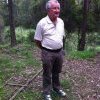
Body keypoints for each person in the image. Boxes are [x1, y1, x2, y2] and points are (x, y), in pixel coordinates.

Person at [34, 0, 66, 100]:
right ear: (48, 10)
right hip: (47, 52)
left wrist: (60, 48)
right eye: (54, 8)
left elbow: (62, 36)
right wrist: (44, 50)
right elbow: (37, 40)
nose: (57, 10)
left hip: (59, 52)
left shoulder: (61, 21)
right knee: (47, 73)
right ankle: (46, 92)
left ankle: (56, 88)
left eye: (58, 8)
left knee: (56, 72)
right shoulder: (42, 23)